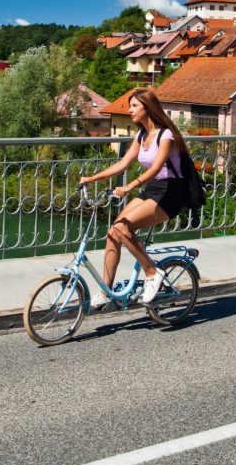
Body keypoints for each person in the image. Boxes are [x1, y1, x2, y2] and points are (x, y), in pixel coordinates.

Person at [79, 89, 191, 306]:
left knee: (123, 228)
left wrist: (130, 185)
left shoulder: (165, 135)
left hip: (171, 192)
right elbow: (123, 163)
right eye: (130, 106)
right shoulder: (140, 135)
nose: (129, 110)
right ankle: (106, 290)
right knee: (114, 231)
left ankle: (152, 272)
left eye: (134, 106)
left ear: (147, 108)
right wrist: (93, 178)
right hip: (153, 189)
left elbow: (157, 166)